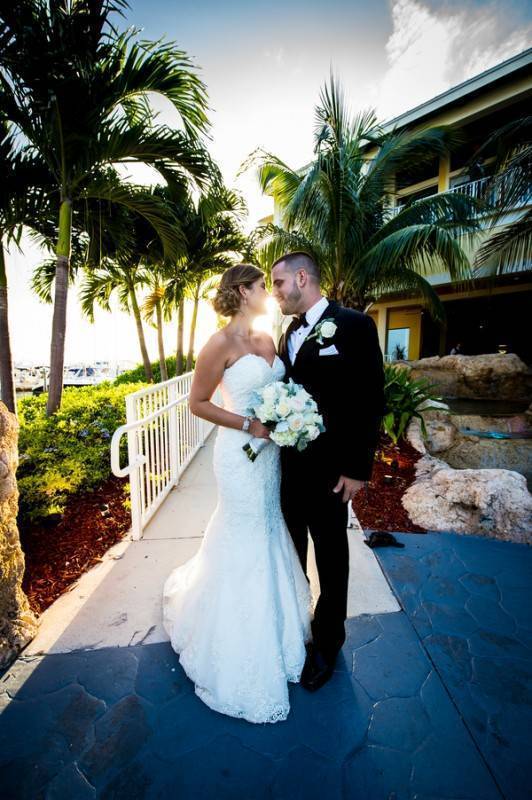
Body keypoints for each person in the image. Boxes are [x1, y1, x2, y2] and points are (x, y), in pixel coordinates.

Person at [162, 263, 313, 724]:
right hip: (239, 454)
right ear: (243, 291)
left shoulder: (269, 340)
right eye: (261, 285)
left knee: (270, 526)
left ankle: (280, 630)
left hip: (271, 458)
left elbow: (284, 389)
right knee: (244, 530)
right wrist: (250, 423)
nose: (268, 290)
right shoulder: (219, 344)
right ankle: (241, 641)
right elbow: (198, 402)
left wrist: (291, 417)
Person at [272, 251, 386, 691]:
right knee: (291, 552)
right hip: (287, 470)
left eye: (280, 283)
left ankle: (327, 645)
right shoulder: (288, 333)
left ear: (303, 278)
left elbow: (370, 401)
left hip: (332, 472)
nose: (277, 293)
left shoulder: (354, 325)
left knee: (332, 557)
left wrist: (358, 469)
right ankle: (296, 629)